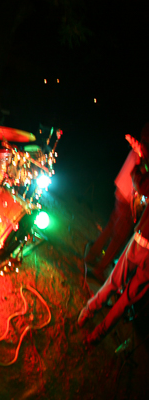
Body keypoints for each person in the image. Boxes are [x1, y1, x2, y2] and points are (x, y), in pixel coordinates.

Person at [77, 134, 149, 345]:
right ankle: (97, 335)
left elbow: (142, 185)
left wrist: (139, 164)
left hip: (142, 241)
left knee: (115, 282)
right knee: (127, 298)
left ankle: (90, 309)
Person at [84, 124, 149, 281]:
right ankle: (99, 270)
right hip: (129, 196)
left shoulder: (144, 143)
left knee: (112, 225)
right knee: (119, 237)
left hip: (122, 188)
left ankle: (91, 257)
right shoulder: (146, 150)